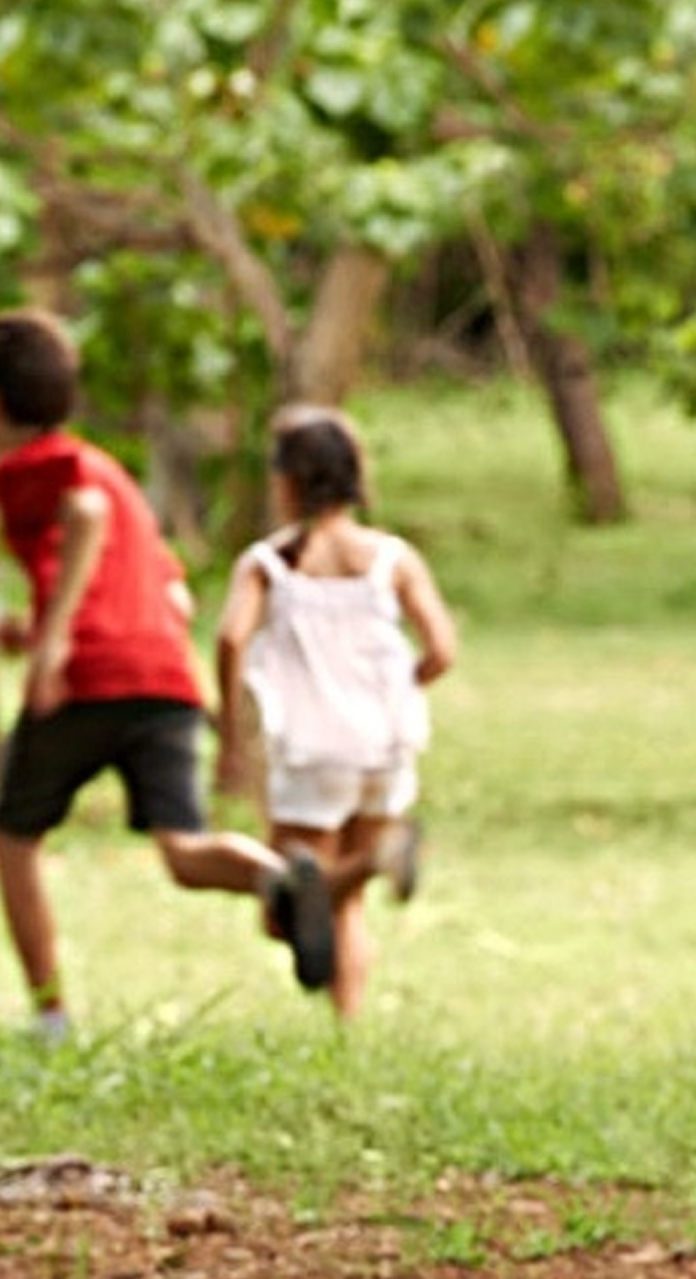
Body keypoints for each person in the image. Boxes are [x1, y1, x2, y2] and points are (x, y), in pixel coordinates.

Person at [0, 308, 338, 1045]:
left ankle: (52, 1016)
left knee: (10, 838)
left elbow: (80, 518)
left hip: (87, 678)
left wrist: (54, 642)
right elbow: (172, 594)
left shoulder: (37, 466)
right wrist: (36, 626)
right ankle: (277, 877)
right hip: (163, 678)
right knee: (183, 852)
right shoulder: (111, 474)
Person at [213, 403, 457, 1021]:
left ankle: (374, 865)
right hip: (386, 743)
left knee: (284, 909)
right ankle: (345, 1028)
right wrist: (404, 684)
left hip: (311, 748)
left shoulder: (269, 564)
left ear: (286, 480)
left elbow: (228, 638)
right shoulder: (391, 559)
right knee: (339, 904)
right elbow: (442, 649)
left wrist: (231, 732)